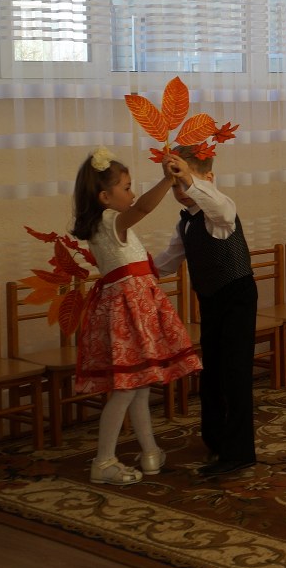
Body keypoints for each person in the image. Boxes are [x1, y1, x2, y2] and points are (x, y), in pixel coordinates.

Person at [70, 147, 202, 486]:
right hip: (128, 311)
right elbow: (142, 207)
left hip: (134, 307)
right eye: (126, 187)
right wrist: (166, 180)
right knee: (127, 389)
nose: (132, 194)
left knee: (139, 386)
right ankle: (104, 461)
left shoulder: (106, 224)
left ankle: (150, 451)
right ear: (105, 197)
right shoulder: (109, 220)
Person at [152, 145, 258, 479]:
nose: (181, 189)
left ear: (209, 177)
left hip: (237, 298)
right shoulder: (185, 224)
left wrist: (189, 178)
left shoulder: (221, 210)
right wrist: (129, 269)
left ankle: (240, 453)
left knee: (235, 373)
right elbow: (166, 262)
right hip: (211, 300)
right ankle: (216, 439)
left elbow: (221, 210)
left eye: (186, 181)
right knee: (211, 372)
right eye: (175, 185)